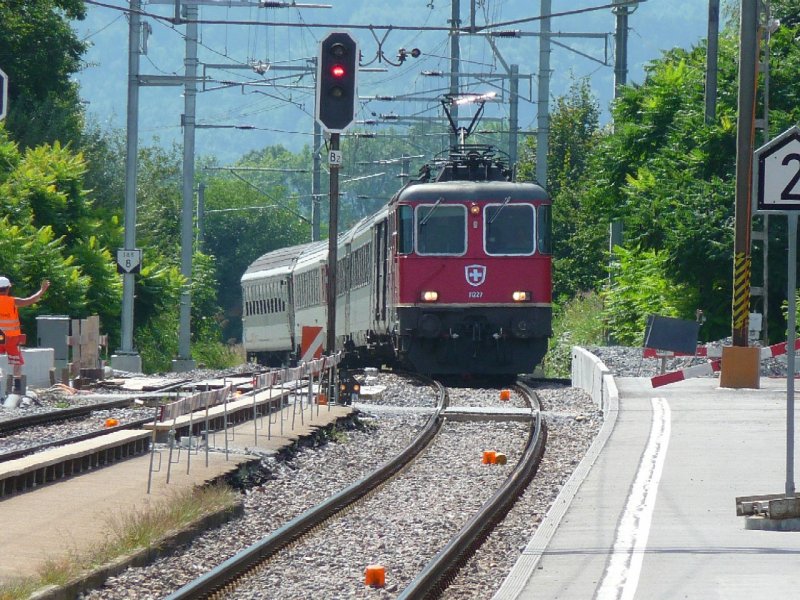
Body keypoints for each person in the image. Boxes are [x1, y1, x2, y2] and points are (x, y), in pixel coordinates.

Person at [0, 277, 50, 377]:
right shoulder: (13, 301)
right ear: (8, 288)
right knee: (17, 362)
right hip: (12, 338)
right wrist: (42, 290)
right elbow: (30, 300)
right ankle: (17, 386)